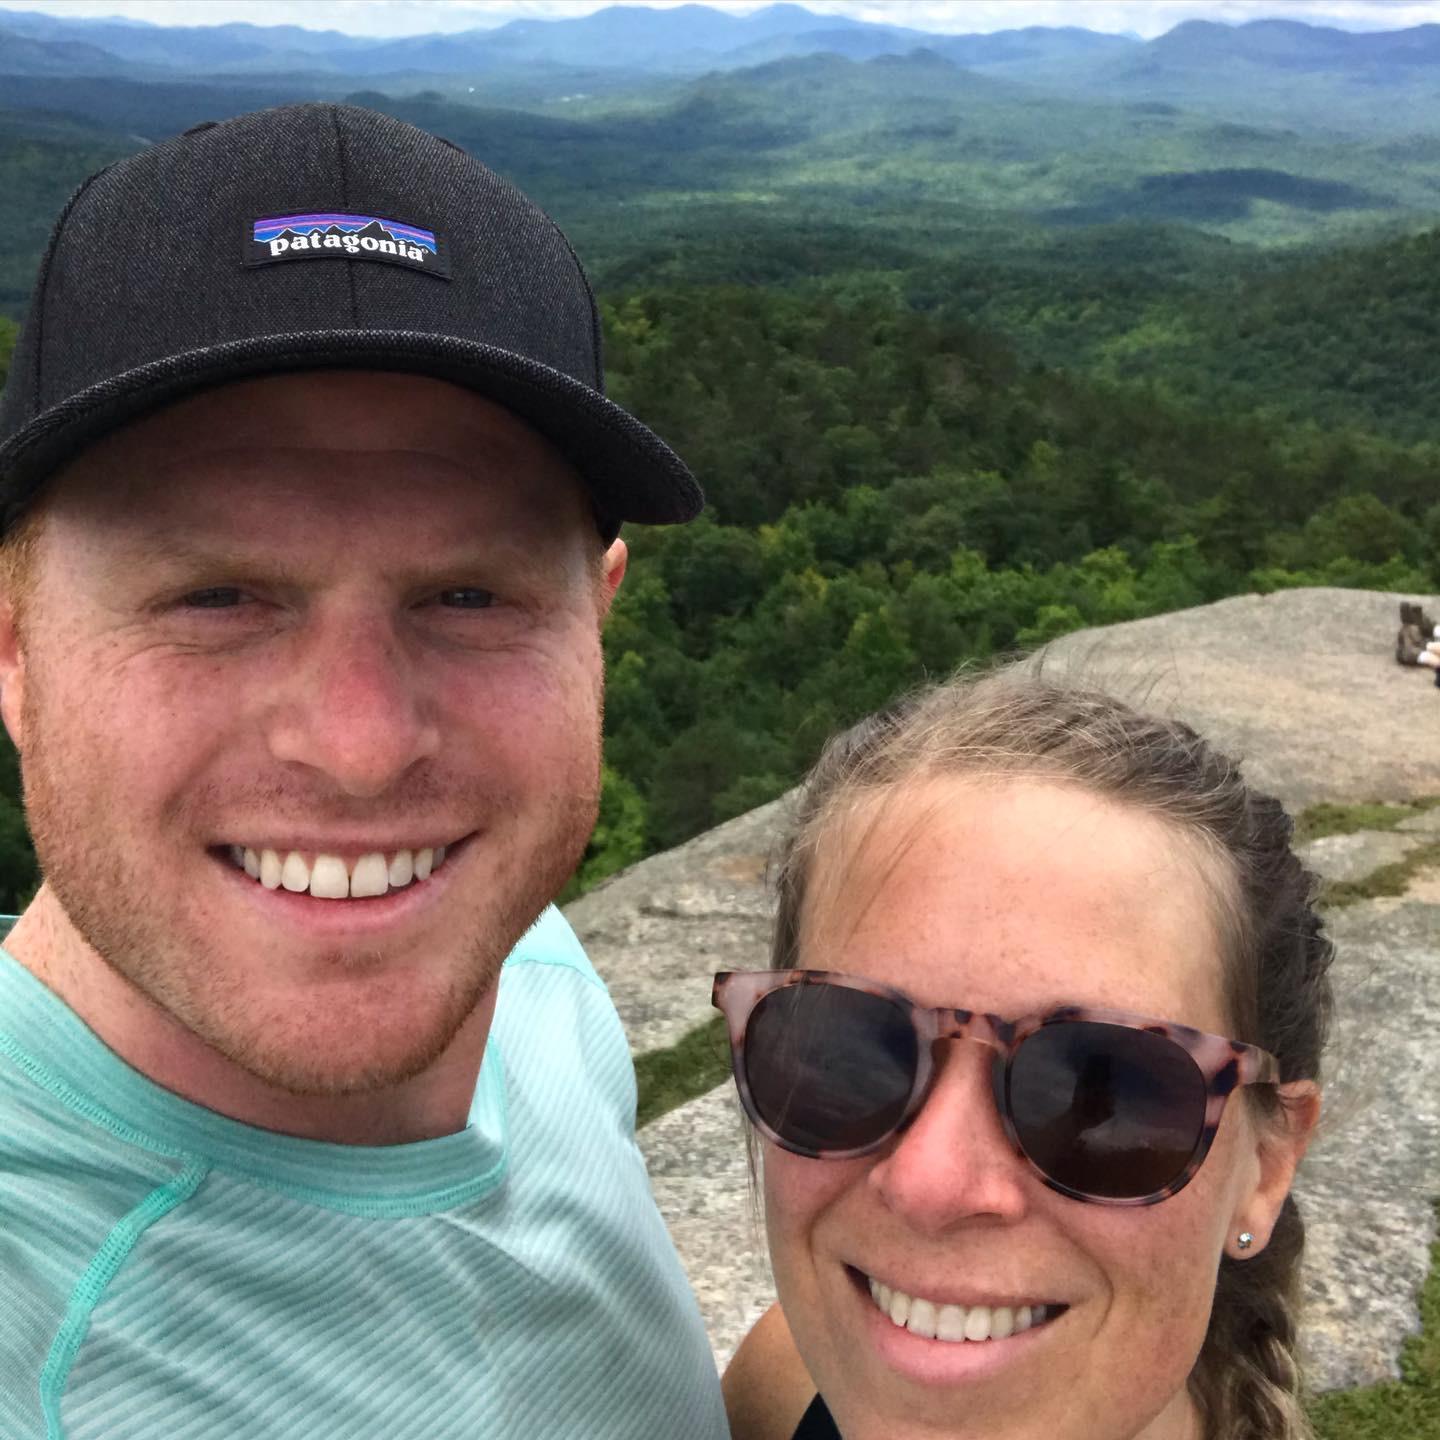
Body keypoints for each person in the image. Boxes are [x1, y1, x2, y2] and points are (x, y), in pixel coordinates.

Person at [0, 103, 729, 1438]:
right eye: (217, 595)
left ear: (598, 623)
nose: (362, 748)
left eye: (469, 595)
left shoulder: (517, 956)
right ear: (14, 647)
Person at [715, 668, 1330, 1440]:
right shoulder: (780, 1386)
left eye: (1101, 1095)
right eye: (849, 1056)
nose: (929, 1184)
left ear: (1266, 1166)